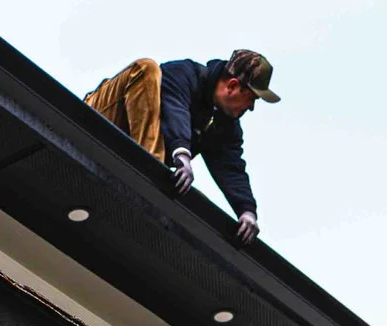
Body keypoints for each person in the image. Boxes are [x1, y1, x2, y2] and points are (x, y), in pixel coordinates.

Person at [84, 49, 278, 245]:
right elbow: (175, 109)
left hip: (128, 154)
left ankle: (150, 181)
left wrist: (246, 210)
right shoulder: (184, 75)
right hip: (99, 119)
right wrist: (182, 153)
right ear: (233, 85)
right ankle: (150, 176)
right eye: (252, 98)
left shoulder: (225, 124)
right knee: (146, 68)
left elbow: (230, 166)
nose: (251, 107)